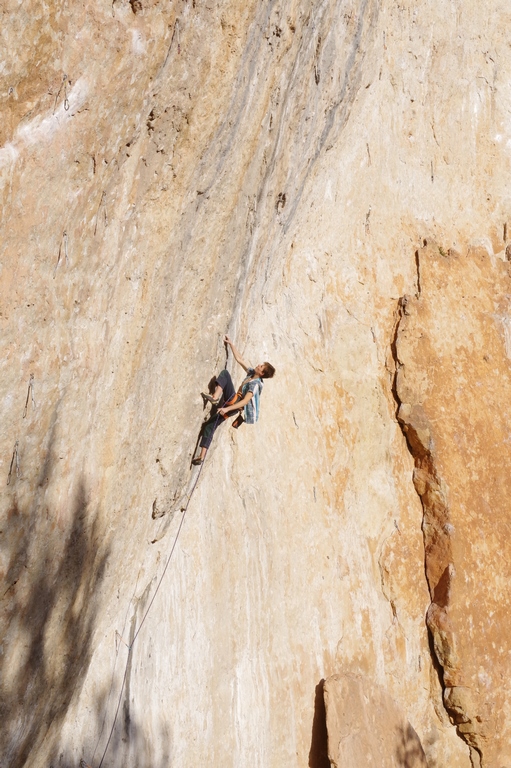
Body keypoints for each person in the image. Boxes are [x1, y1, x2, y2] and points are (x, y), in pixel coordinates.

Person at [192, 335, 275, 465]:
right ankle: (201, 457)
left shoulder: (255, 384)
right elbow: (240, 359)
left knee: (225, 374)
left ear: (262, 373)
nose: (258, 365)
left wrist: (226, 408)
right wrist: (231, 344)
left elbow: (245, 401)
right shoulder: (252, 374)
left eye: (261, 366)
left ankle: (215, 397)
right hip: (233, 408)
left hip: (234, 403)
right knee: (210, 425)